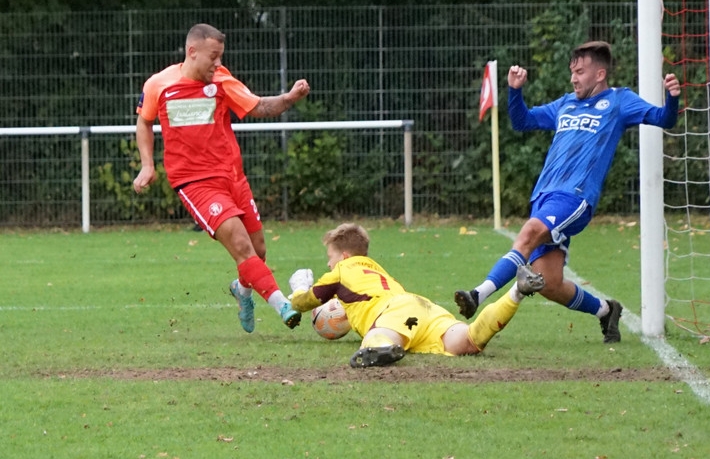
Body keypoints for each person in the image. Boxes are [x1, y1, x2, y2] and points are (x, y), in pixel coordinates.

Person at [454, 41, 681, 343]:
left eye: (580, 72)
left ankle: (477, 294)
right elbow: (522, 122)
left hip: (575, 197)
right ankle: (606, 311)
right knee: (549, 283)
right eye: (572, 72)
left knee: (529, 232)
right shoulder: (565, 104)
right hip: (544, 196)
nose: (573, 78)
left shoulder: (619, 101)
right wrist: (515, 91)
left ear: (600, 74)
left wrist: (672, 97)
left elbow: (664, 118)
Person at [132, 23, 311, 332]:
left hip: (233, 177)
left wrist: (290, 97)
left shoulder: (222, 81)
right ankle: (283, 305)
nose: (218, 63)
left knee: (258, 250)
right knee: (241, 245)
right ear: (192, 51)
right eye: (213, 56)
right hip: (195, 183)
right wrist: (147, 165)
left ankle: (242, 290)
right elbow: (144, 122)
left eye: (220, 57)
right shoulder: (159, 85)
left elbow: (258, 106)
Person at [288, 222, 546, 368]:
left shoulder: (341, 271)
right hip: (422, 307)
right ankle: (517, 291)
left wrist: (299, 286)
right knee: (468, 340)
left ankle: (378, 347)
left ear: (344, 256)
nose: (329, 264)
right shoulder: (378, 270)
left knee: (376, 335)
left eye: (330, 257)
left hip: (391, 313)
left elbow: (303, 302)